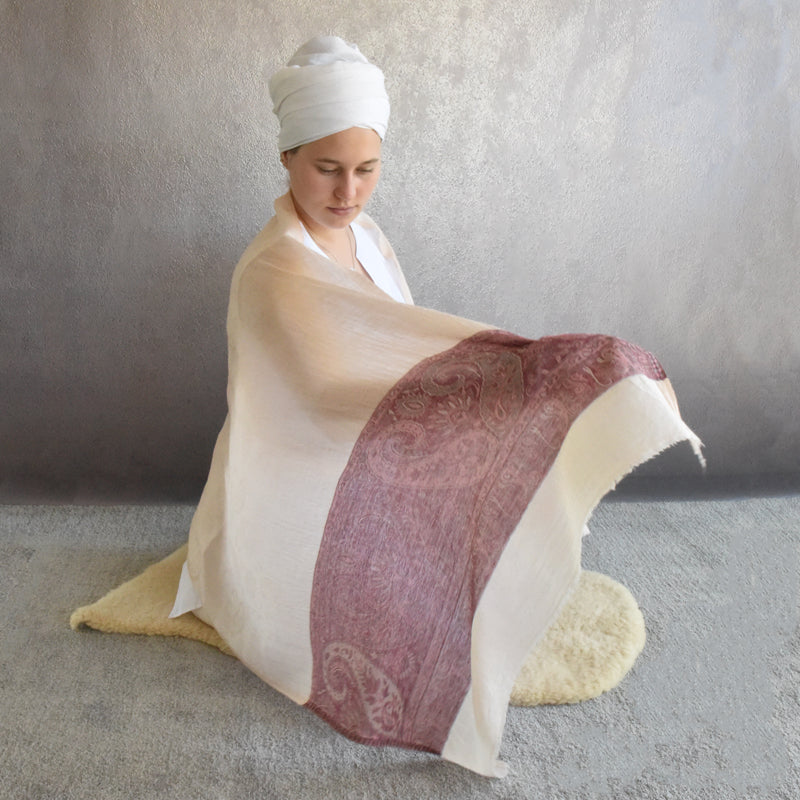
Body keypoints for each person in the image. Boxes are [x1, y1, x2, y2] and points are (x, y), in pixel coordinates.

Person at [169, 36, 701, 777]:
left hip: (371, 442)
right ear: (287, 157)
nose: (348, 191)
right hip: (298, 481)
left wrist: (493, 386)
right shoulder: (275, 270)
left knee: (491, 484)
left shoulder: (367, 235)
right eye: (327, 169)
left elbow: (403, 339)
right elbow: (325, 394)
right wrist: (481, 388)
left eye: (367, 169)